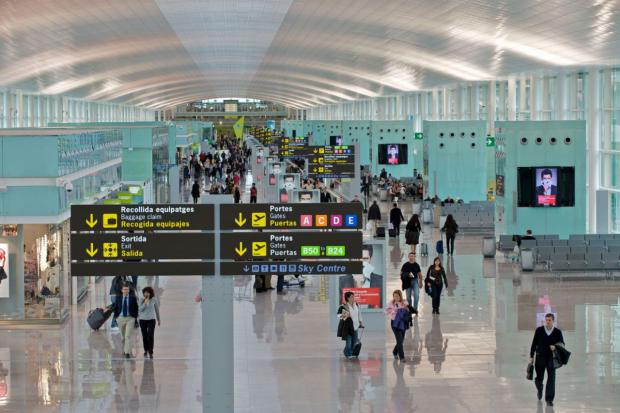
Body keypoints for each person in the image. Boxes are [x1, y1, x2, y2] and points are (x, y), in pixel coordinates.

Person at [529, 313, 565, 406]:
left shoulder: (557, 332)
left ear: (553, 321)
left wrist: (555, 347)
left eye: (550, 320)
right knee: (539, 379)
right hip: (540, 357)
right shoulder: (539, 330)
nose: (548, 322)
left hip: (551, 359)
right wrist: (531, 356)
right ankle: (540, 388)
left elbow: (562, 344)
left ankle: (549, 400)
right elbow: (534, 344)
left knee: (551, 379)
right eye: (546, 320)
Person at [111, 283, 139, 358]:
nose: (126, 291)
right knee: (123, 337)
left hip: (130, 318)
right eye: (124, 289)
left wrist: (135, 318)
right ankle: (124, 350)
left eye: (127, 289)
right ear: (122, 290)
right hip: (120, 318)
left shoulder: (133, 298)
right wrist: (115, 317)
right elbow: (115, 307)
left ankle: (127, 353)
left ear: (129, 290)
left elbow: (136, 308)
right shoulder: (118, 297)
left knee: (127, 336)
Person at [337, 291, 364, 359]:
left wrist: (360, 322)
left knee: (354, 341)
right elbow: (338, 315)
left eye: (353, 296)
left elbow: (359, 313)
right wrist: (346, 315)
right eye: (351, 297)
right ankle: (348, 354)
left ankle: (349, 352)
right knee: (348, 342)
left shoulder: (356, 304)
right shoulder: (344, 306)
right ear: (348, 298)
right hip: (348, 327)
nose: (353, 298)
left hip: (355, 326)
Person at [385, 290, 409, 361]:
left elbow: (408, 310)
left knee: (401, 340)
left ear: (400, 296)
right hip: (395, 323)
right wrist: (393, 311)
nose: (395, 298)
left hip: (402, 323)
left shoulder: (404, 302)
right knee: (399, 340)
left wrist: (407, 309)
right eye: (394, 296)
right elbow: (386, 311)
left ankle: (395, 351)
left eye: (397, 296)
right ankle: (402, 357)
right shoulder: (391, 303)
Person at [138, 286, 160, 359]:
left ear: (150, 293)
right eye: (145, 293)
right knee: (144, 335)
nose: (146, 294)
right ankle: (145, 350)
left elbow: (157, 310)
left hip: (151, 320)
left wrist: (158, 319)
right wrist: (145, 303)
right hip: (143, 320)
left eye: (148, 293)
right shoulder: (141, 299)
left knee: (150, 335)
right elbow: (140, 310)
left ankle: (151, 351)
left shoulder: (154, 300)